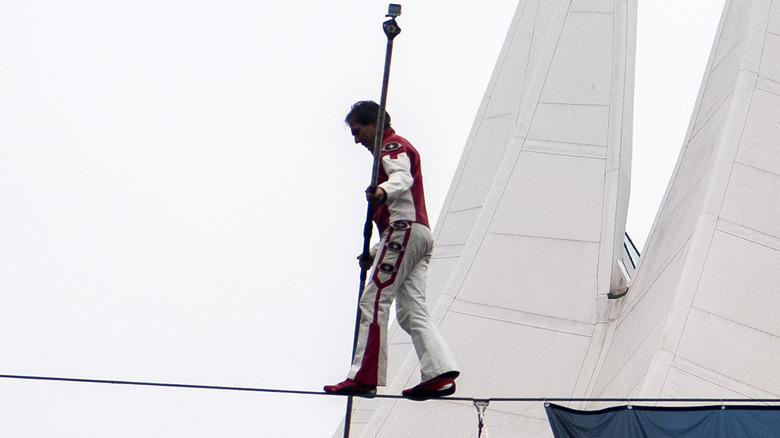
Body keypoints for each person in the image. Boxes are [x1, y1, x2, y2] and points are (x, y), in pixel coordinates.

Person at [324, 100, 459, 400]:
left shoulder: (391, 145)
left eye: (358, 131)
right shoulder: (387, 153)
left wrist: (384, 191)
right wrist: (373, 254)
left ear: (374, 123)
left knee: (373, 300)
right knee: (412, 312)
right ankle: (439, 372)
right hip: (414, 234)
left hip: (405, 231)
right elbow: (394, 223)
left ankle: (363, 377)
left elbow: (403, 178)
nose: (356, 139)